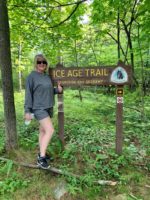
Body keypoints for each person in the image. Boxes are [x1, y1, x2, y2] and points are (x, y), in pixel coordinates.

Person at [24, 54, 63, 169]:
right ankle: (41, 159)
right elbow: (28, 95)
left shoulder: (46, 77)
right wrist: (27, 111)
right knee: (50, 130)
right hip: (38, 108)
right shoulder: (31, 77)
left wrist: (57, 90)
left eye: (44, 62)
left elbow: (48, 91)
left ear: (46, 64)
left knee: (42, 131)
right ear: (36, 63)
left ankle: (42, 152)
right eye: (39, 62)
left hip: (48, 107)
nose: (42, 64)